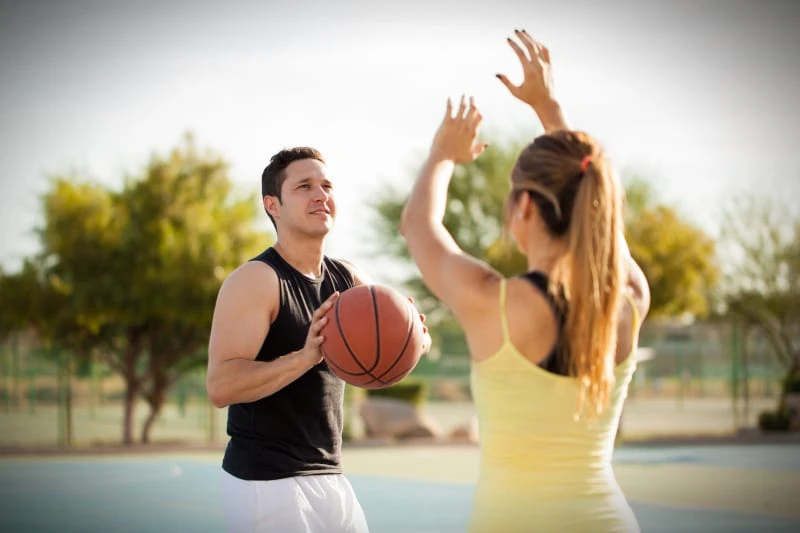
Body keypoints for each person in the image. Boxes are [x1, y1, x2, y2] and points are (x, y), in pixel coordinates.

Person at [399, 30, 650, 532]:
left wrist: (442, 155)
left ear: (526, 207)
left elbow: (418, 227)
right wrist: (550, 110)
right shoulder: (629, 301)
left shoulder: (494, 302)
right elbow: (595, 202)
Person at [206, 147, 386, 533]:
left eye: (326, 185)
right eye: (304, 186)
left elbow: (391, 350)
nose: (321, 194)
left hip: (331, 474)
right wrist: (305, 357)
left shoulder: (350, 279)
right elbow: (221, 386)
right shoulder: (257, 280)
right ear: (273, 205)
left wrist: (415, 337)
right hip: (267, 482)